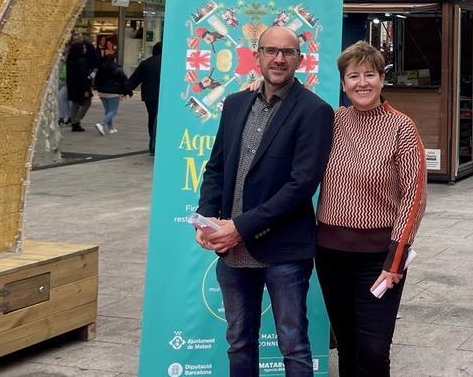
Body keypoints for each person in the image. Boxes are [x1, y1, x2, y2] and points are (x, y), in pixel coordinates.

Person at [196, 26, 335, 377]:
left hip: (283, 250)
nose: (278, 58)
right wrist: (207, 218)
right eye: (270, 50)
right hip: (232, 249)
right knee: (239, 342)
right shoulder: (235, 104)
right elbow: (216, 167)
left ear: (299, 60)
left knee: (294, 345)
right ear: (256, 56)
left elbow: (301, 185)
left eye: (287, 52)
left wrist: (238, 228)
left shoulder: (315, 111)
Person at [317, 41, 427, 377]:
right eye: (353, 76)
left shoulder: (401, 128)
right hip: (329, 254)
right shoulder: (331, 121)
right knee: (346, 347)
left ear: (382, 79)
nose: (361, 83)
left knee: (374, 351)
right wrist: (255, 89)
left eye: (369, 74)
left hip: (378, 260)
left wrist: (394, 261)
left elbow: (414, 198)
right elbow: (288, 111)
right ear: (343, 83)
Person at [126, 42, 163, 154]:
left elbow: (135, 79)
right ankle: (162, 143)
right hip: (164, 96)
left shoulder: (146, 63)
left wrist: (126, 90)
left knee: (152, 119)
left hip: (150, 96)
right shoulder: (169, 62)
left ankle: (153, 144)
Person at [65, 31, 99, 131]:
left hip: (72, 84)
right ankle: (76, 120)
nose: (84, 49)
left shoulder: (71, 59)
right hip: (82, 85)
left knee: (75, 103)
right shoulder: (82, 61)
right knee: (87, 103)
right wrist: (87, 88)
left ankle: (74, 123)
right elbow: (84, 75)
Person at [92, 50, 129, 135]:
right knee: (113, 111)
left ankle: (111, 128)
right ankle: (101, 124)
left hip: (102, 92)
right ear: (114, 60)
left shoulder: (101, 68)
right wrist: (125, 92)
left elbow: (96, 80)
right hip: (113, 92)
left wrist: (97, 88)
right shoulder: (117, 68)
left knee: (108, 111)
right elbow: (124, 80)